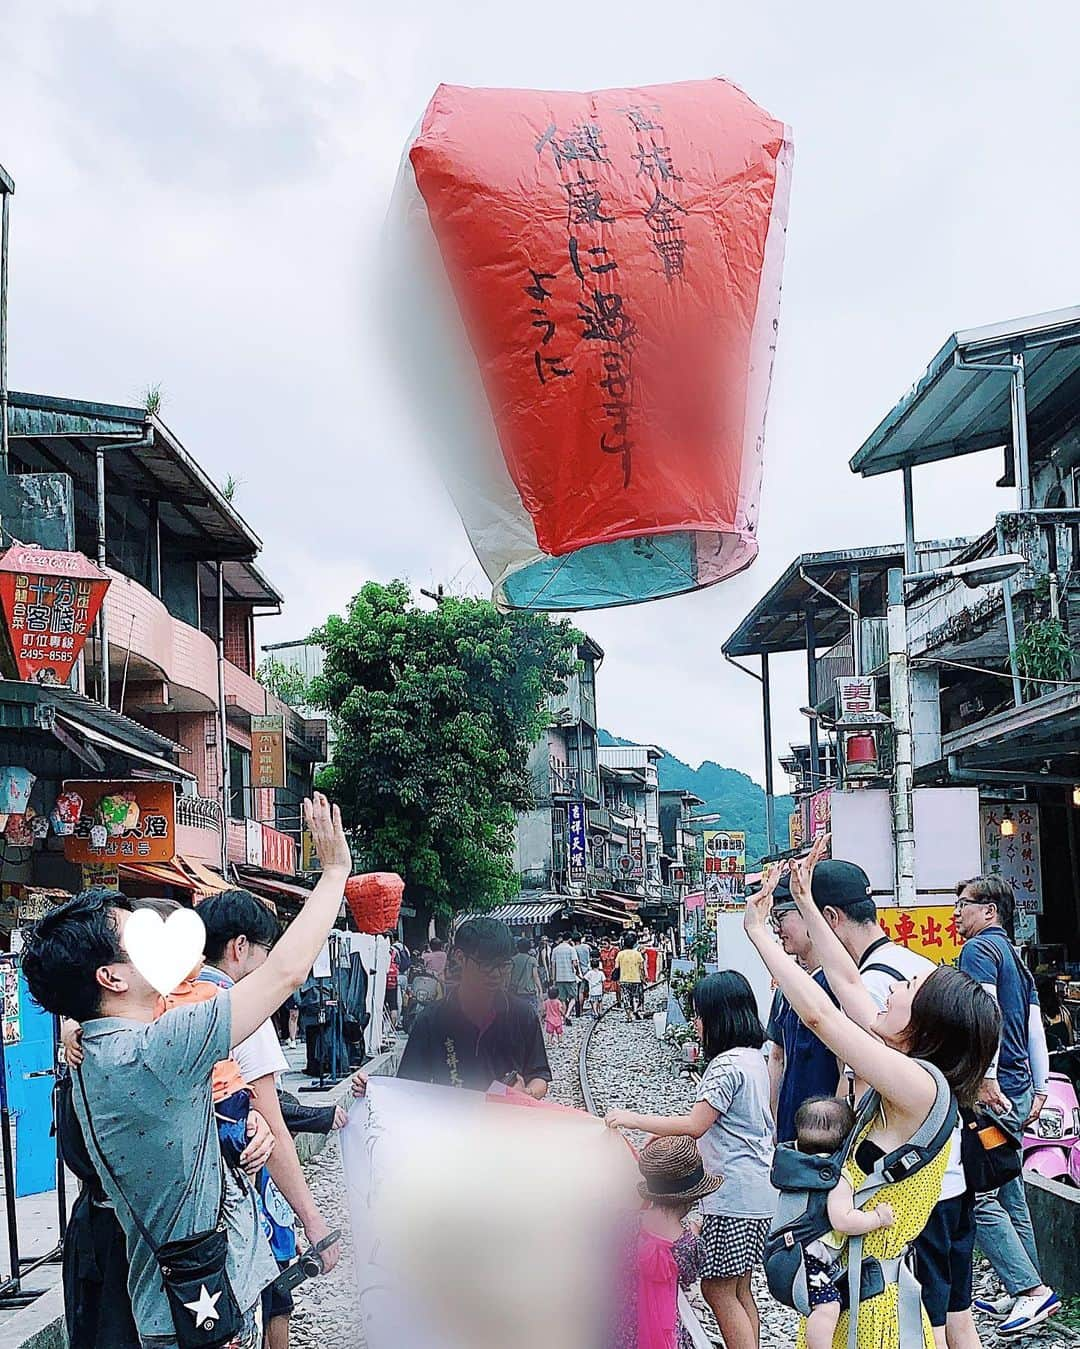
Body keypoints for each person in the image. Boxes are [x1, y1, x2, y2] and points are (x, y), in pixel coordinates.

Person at [23, 793, 351, 1349]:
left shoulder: (99, 1052)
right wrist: (335, 872)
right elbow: (286, 973)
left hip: (172, 1303)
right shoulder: (155, 1052)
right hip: (197, 1318)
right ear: (113, 978)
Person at [742, 839, 1000, 1349]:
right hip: (860, 1285)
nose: (897, 987)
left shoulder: (919, 1085)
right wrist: (808, 905)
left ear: (926, 1025)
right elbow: (844, 982)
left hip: (869, 1309)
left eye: (910, 991)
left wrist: (757, 933)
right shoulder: (911, 1067)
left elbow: (822, 1014)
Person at [197, 887, 343, 1349]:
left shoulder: (168, 997)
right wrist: (313, 1221)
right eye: (265, 952)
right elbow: (271, 1119)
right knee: (272, 1290)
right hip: (234, 1189)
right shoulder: (241, 1008)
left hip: (178, 1194)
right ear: (240, 948)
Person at [606, 971, 774, 1349]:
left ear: (720, 1017)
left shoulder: (726, 1066)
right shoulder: (753, 1059)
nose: (695, 1024)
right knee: (739, 1287)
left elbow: (696, 1125)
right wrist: (666, 1132)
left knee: (716, 1290)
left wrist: (633, 1119)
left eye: (699, 1015)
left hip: (731, 1196)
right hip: (757, 1192)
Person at [955, 875, 1058, 1335]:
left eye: (963, 905)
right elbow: (1034, 1025)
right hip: (1017, 1091)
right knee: (1009, 1185)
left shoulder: (979, 951)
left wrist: (985, 1076)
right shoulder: (1016, 956)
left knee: (982, 1195)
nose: (957, 913)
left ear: (989, 911)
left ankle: (1027, 1292)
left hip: (991, 1092)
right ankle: (1030, 1287)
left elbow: (985, 1012)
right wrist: (1039, 1086)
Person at [354, 917, 551, 1097]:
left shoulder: (522, 1015)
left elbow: (539, 1074)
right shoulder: (431, 1020)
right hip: (451, 1130)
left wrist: (526, 1093)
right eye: (486, 965)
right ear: (459, 957)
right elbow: (409, 1087)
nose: (496, 974)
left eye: (504, 965)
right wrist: (374, 1092)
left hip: (506, 1129)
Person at [792, 1097, 896, 1349]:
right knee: (828, 1305)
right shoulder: (836, 1177)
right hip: (810, 1257)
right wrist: (877, 1218)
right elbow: (843, 1220)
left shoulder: (797, 1163)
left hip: (794, 1248)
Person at [763, 878, 841, 1144]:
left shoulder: (838, 986)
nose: (777, 929)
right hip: (792, 1130)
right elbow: (777, 1056)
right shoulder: (786, 988)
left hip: (827, 1136)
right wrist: (776, 1120)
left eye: (781, 917)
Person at [629, 1135, 715, 1349]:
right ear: (692, 1198)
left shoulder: (628, 1224)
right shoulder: (688, 1244)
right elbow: (687, 1278)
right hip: (666, 1323)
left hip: (628, 1316)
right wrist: (694, 1234)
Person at [1036, 973, 1073, 1053]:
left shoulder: (1039, 1017)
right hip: (1066, 1060)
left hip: (1049, 1061)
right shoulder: (1064, 1012)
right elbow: (1071, 1042)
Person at [616, 932, 646, 1022]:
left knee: (626, 997)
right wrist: (643, 978)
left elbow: (617, 967)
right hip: (636, 979)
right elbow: (641, 968)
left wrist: (617, 978)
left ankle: (629, 1015)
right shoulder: (637, 954)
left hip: (624, 979)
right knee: (636, 996)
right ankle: (636, 1010)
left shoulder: (620, 954)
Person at [551, 933, 580, 1022]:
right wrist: (577, 972)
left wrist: (553, 977)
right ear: (570, 939)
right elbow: (575, 963)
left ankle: (563, 1018)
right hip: (570, 977)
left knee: (562, 999)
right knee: (574, 997)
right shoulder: (571, 949)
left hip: (559, 977)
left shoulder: (555, 950)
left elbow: (553, 964)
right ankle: (567, 1014)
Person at [509, 937, 543, 1011]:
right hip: (528, 991)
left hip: (515, 991)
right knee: (531, 1014)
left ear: (518, 948)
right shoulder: (532, 960)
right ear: (529, 948)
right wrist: (540, 990)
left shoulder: (512, 960)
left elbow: (509, 975)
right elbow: (535, 976)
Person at [575, 932, 594, 1015]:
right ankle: (594, 1008)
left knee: (581, 991)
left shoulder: (574, 948)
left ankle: (581, 1009)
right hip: (589, 970)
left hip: (580, 972)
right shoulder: (587, 947)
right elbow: (591, 957)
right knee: (591, 989)